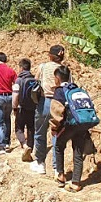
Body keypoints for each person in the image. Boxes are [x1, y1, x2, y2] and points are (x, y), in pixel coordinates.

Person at [49, 64, 91, 191]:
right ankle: (76, 183)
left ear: (57, 77)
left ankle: (61, 175)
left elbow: (57, 112)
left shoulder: (59, 91)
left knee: (58, 146)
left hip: (69, 125)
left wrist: (54, 128)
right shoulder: (76, 89)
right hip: (81, 123)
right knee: (77, 152)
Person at [30, 45, 66, 175]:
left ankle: (40, 163)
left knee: (40, 132)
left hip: (44, 102)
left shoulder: (43, 67)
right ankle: (57, 168)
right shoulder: (64, 69)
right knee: (56, 134)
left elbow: (35, 81)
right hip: (59, 104)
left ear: (50, 55)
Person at [11, 58, 37, 161]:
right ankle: (30, 148)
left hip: (21, 108)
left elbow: (15, 95)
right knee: (31, 128)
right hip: (32, 108)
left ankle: (25, 145)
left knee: (18, 128)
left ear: (21, 68)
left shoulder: (19, 80)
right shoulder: (34, 79)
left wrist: (14, 107)